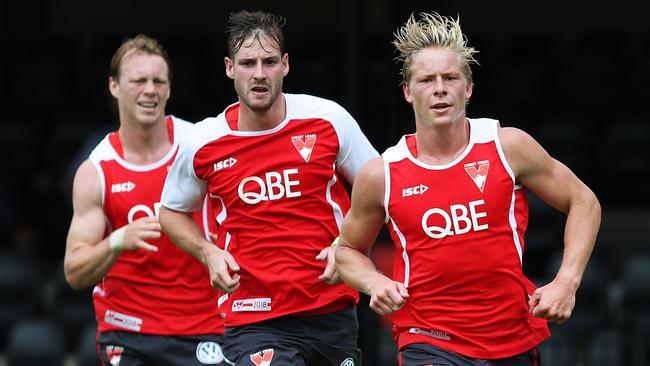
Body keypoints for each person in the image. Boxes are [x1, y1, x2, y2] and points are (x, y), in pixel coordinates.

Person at [334, 12, 601, 366]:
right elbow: (347, 250)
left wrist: (566, 282)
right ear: (407, 91)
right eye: (427, 80)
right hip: (428, 338)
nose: (440, 88)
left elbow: (584, 201)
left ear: (469, 87)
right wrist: (375, 281)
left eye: (450, 77)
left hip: (511, 338)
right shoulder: (381, 174)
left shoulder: (508, 146)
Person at [159, 10, 378, 366]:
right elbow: (170, 211)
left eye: (269, 61)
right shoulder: (203, 141)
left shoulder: (328, 119)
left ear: (285, 65)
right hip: (253, 316)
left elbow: (380, 186)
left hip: (330, 308)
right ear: (230, 67)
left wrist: (347, 245)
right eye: (248, 63)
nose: (259, 74)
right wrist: (208, 252)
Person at [64, 34, 228, 365]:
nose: (150, 89)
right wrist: (118, 241)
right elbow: (74, 272)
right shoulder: (96, 170)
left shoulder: (199, 146)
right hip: (126, 329)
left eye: (159, 81)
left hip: (205, 326)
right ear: (114, 86)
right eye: (139, 80)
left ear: (169, 88)